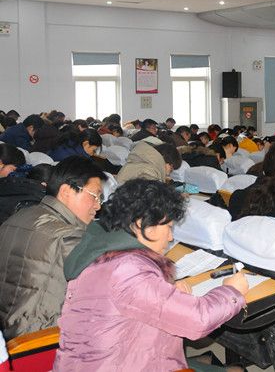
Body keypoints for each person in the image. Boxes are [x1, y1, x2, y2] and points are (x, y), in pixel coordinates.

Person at [53, 179, 248, 371]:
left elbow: (128, 304)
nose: (170, 237)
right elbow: (199, 320)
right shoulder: (128, 270)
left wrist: (166, 293)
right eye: (168, 227)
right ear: (141, 224)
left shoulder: (103, 253)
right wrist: (231, 291)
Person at [0, 157, 105, 338]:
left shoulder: (16, 217)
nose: (98, 205)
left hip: (6, 334)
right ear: (66, 191)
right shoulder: (70, 237)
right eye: (94, 196)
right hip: (40, 342)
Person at [116, 142, 182, 185]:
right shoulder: (149, 171)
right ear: (164, 158)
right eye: (171, 168)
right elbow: (153, 198)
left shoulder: (142, 161)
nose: (169, 173)